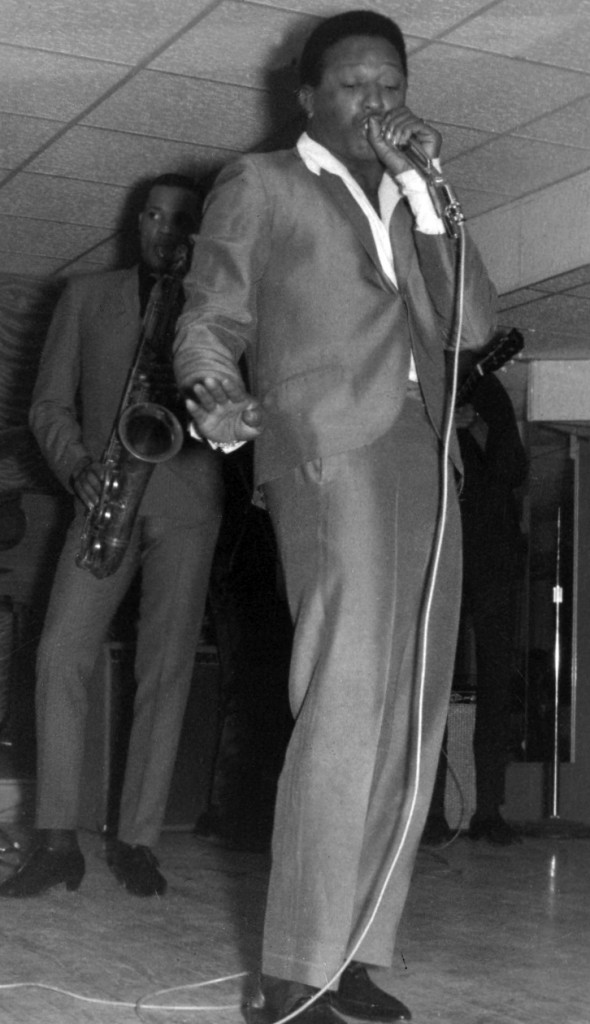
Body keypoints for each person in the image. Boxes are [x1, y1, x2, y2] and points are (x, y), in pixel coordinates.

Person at [173, 11, 497, 1023]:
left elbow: (471, 326)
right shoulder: (262, 183)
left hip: (419, 448)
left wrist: (428, 195)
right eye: (354, 86)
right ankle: (292, 966)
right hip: (331, 447)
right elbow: (207, 312)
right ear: (305, 96)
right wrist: (209, 387)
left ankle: (353, 948)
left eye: (390, 85)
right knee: (347, 701)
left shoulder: (410, 199)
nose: (376, 104)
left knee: (411, 709)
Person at [0, 173, 224, 899]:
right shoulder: (85, 298)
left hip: (188, 498)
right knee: (60, 651)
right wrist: (76, 470)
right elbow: (47, 404)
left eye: (176, 219)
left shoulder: (221, 307)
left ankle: (137, 840)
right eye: (150, 216)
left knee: (167, 668)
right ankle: (57, 837)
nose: (160, 230)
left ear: (199, 231)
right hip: (103, 494)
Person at [423, 358, 528, 847]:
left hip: (494, 563)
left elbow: (515, 468)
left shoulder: (486, 387)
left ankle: (489, 811)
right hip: (442, 556)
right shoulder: (420, 380)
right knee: (433, 689)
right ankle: (428, 814)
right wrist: (442, 426)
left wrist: (480, 426)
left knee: (496, 688)